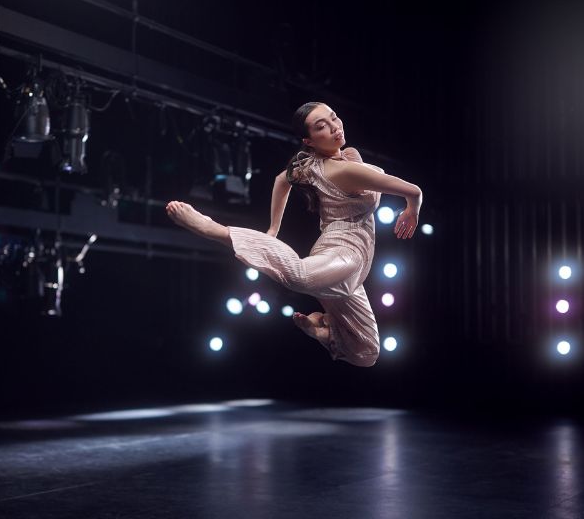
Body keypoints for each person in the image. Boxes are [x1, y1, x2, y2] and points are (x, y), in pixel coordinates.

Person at [165, 102, 422, 367]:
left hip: (348, 268)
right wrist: (411, 209)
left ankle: (327, 331)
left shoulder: (320, 164)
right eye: (322, 126)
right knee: (298, 275)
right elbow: (413, 191)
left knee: (367, 354)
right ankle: (216, 230)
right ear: (308, 140)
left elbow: (280, 181)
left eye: (334, 118)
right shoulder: (346, 170)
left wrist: (274, 228)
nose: (335, 127)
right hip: (346, 255)